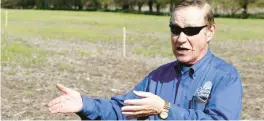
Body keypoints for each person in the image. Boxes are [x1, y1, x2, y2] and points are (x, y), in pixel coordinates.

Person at [48, 0, 243, 120]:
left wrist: (164, 109)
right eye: (175, 30)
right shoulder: (159, 76)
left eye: (191, 31)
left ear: (210, 32)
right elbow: (121, 110)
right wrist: (84, 104)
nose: (181, 38)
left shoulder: (225, 77)